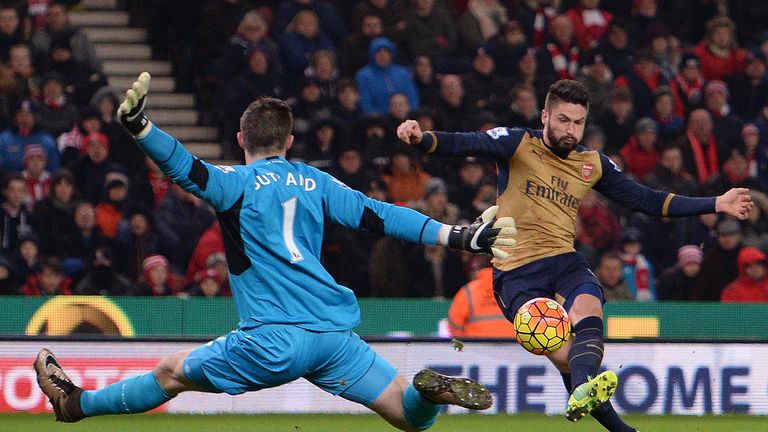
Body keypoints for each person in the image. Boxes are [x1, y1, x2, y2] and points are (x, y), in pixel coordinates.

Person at [35, 72, 518, 430]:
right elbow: (383, 215)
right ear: (288, 141)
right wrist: (456, 236)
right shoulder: (317, 180)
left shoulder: (236, 183)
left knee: (170, 372)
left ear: (241, 139)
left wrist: (141, 127)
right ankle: (425, 394)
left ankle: (74, 404)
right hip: (332, 333)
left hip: (273, 339)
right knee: (410, 416)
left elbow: (186, 169)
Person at [396, 79, 753, 431]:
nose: (571, 130)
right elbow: (466, 143)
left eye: (578, 122)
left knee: (590, 309)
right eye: (563, 120)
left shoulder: (592, 163)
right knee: (563, 354)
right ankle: (615, 421)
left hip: (563, 259)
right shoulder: (518, 142)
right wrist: (422, 139)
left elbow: (647, 199)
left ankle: (586, 390)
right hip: (516, 270)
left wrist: (717, 202)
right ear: (545, 116)